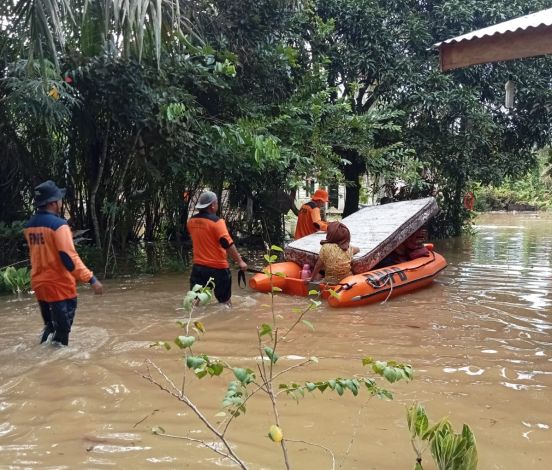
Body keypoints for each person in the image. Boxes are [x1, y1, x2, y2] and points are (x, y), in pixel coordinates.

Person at [24, 180, 103, 346]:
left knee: (51, 327)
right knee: (61, 335)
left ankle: (43, 354)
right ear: (53, 203)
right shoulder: (59, 225)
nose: (61, 202)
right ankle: (53, 367)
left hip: (40, 285)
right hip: (59, 287)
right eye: (59, 199)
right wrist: (91, 279)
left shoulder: (29, 225)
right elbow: (69, 258)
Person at [187, 191, 247, 304]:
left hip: (198, 267)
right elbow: (227, 243)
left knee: (195, 300)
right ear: (213, 205)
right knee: (225, 303)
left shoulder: (191, 222)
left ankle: (192, 319)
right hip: (218, 269)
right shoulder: (217, 222)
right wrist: (240, 262)